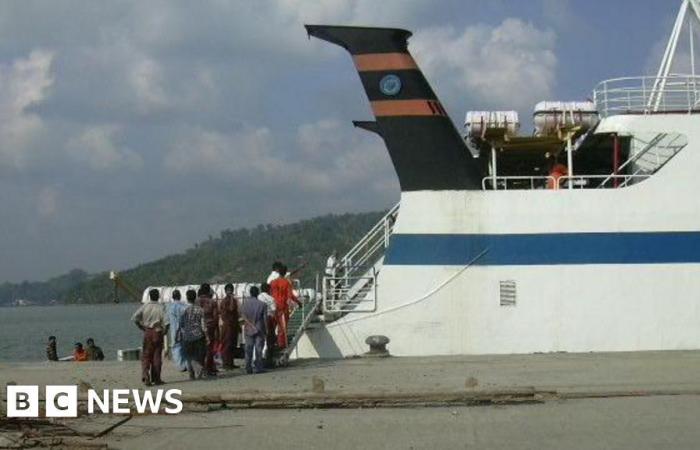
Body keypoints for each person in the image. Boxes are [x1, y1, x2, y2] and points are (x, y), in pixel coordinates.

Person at [132, 289, 169, 386]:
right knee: (157, 356)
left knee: (146, 355)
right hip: (157, 331)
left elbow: (135, 318)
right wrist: (164, 332)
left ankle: (145, 376)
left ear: (149, 296)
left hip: (147, 331)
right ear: (158, 297)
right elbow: (167, 322)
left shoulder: (145, 306)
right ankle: (156, 378)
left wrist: (141, 327)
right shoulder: (161, 308)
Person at [178, 289, 207, 380]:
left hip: (187, 335)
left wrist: (179, 333)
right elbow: (203, 325)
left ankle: (192, 374)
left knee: (189, 356)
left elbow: (181, 323)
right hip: (198, 335)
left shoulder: (183, 309)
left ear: (187, 298)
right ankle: (199, 372)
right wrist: (206, 335)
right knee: (198, 355)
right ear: (195, 298)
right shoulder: (200, 310)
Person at [270, 265, 302, 349]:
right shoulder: (286, 283)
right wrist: (298, 302)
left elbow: (270, 294)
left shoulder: (273, 282)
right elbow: (290, 295)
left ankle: (271, 343)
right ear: (285, 272)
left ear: (278, 272)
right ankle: (281, 344)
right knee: (282, 326)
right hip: (282, 307)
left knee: (272, 326)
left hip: (273, 306)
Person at [240, 286, 267, 374]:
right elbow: (265, 319)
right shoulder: (262, 304)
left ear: (250, 293)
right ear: (258, 293)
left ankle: (248, 367)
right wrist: (266, 330)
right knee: (258, 349)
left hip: (248, 328)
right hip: (259, 328)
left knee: (248, 348)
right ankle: (259, 367)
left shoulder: (244, 304)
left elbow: (243, 317)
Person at [198, 283, 219, 376]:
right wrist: (216, 330)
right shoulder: (212, 302)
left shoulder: (196, 301)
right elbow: (215, 318)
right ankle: (208, 369)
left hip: (197, 328)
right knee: (209, 349)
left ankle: (200, 369)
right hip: (209, 326)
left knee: (199, 349)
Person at [167, 289, 189, 371]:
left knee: (176, 348)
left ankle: (181, 366)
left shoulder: (170, 307)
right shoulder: (184, 306)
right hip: (185, 330)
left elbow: (168, 321)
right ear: (180, 296)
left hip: (174, 330)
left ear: (172, 297)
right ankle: (187, 365)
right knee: (185, 348)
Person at [219, 283, 240, 370]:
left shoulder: (233, 300)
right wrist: (232, 298)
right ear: (226, 291)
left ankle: (231, 363)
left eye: (231, 290)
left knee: (232, 344)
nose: (230, 291)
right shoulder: (225, 301)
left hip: (233, 324)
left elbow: (236, 312)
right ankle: (226, 363)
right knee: (227, 345)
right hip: (227, 325)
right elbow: (231, 309)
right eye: (229, 290)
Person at [258, 282, 277, 365]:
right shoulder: (271, 298)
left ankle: (259, 358)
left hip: (258, 320)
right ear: (268, 289)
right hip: (269, 319)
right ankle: (269, 359)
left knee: (259, 340)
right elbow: (274, 310)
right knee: (270, 339)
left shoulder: (258, 297)